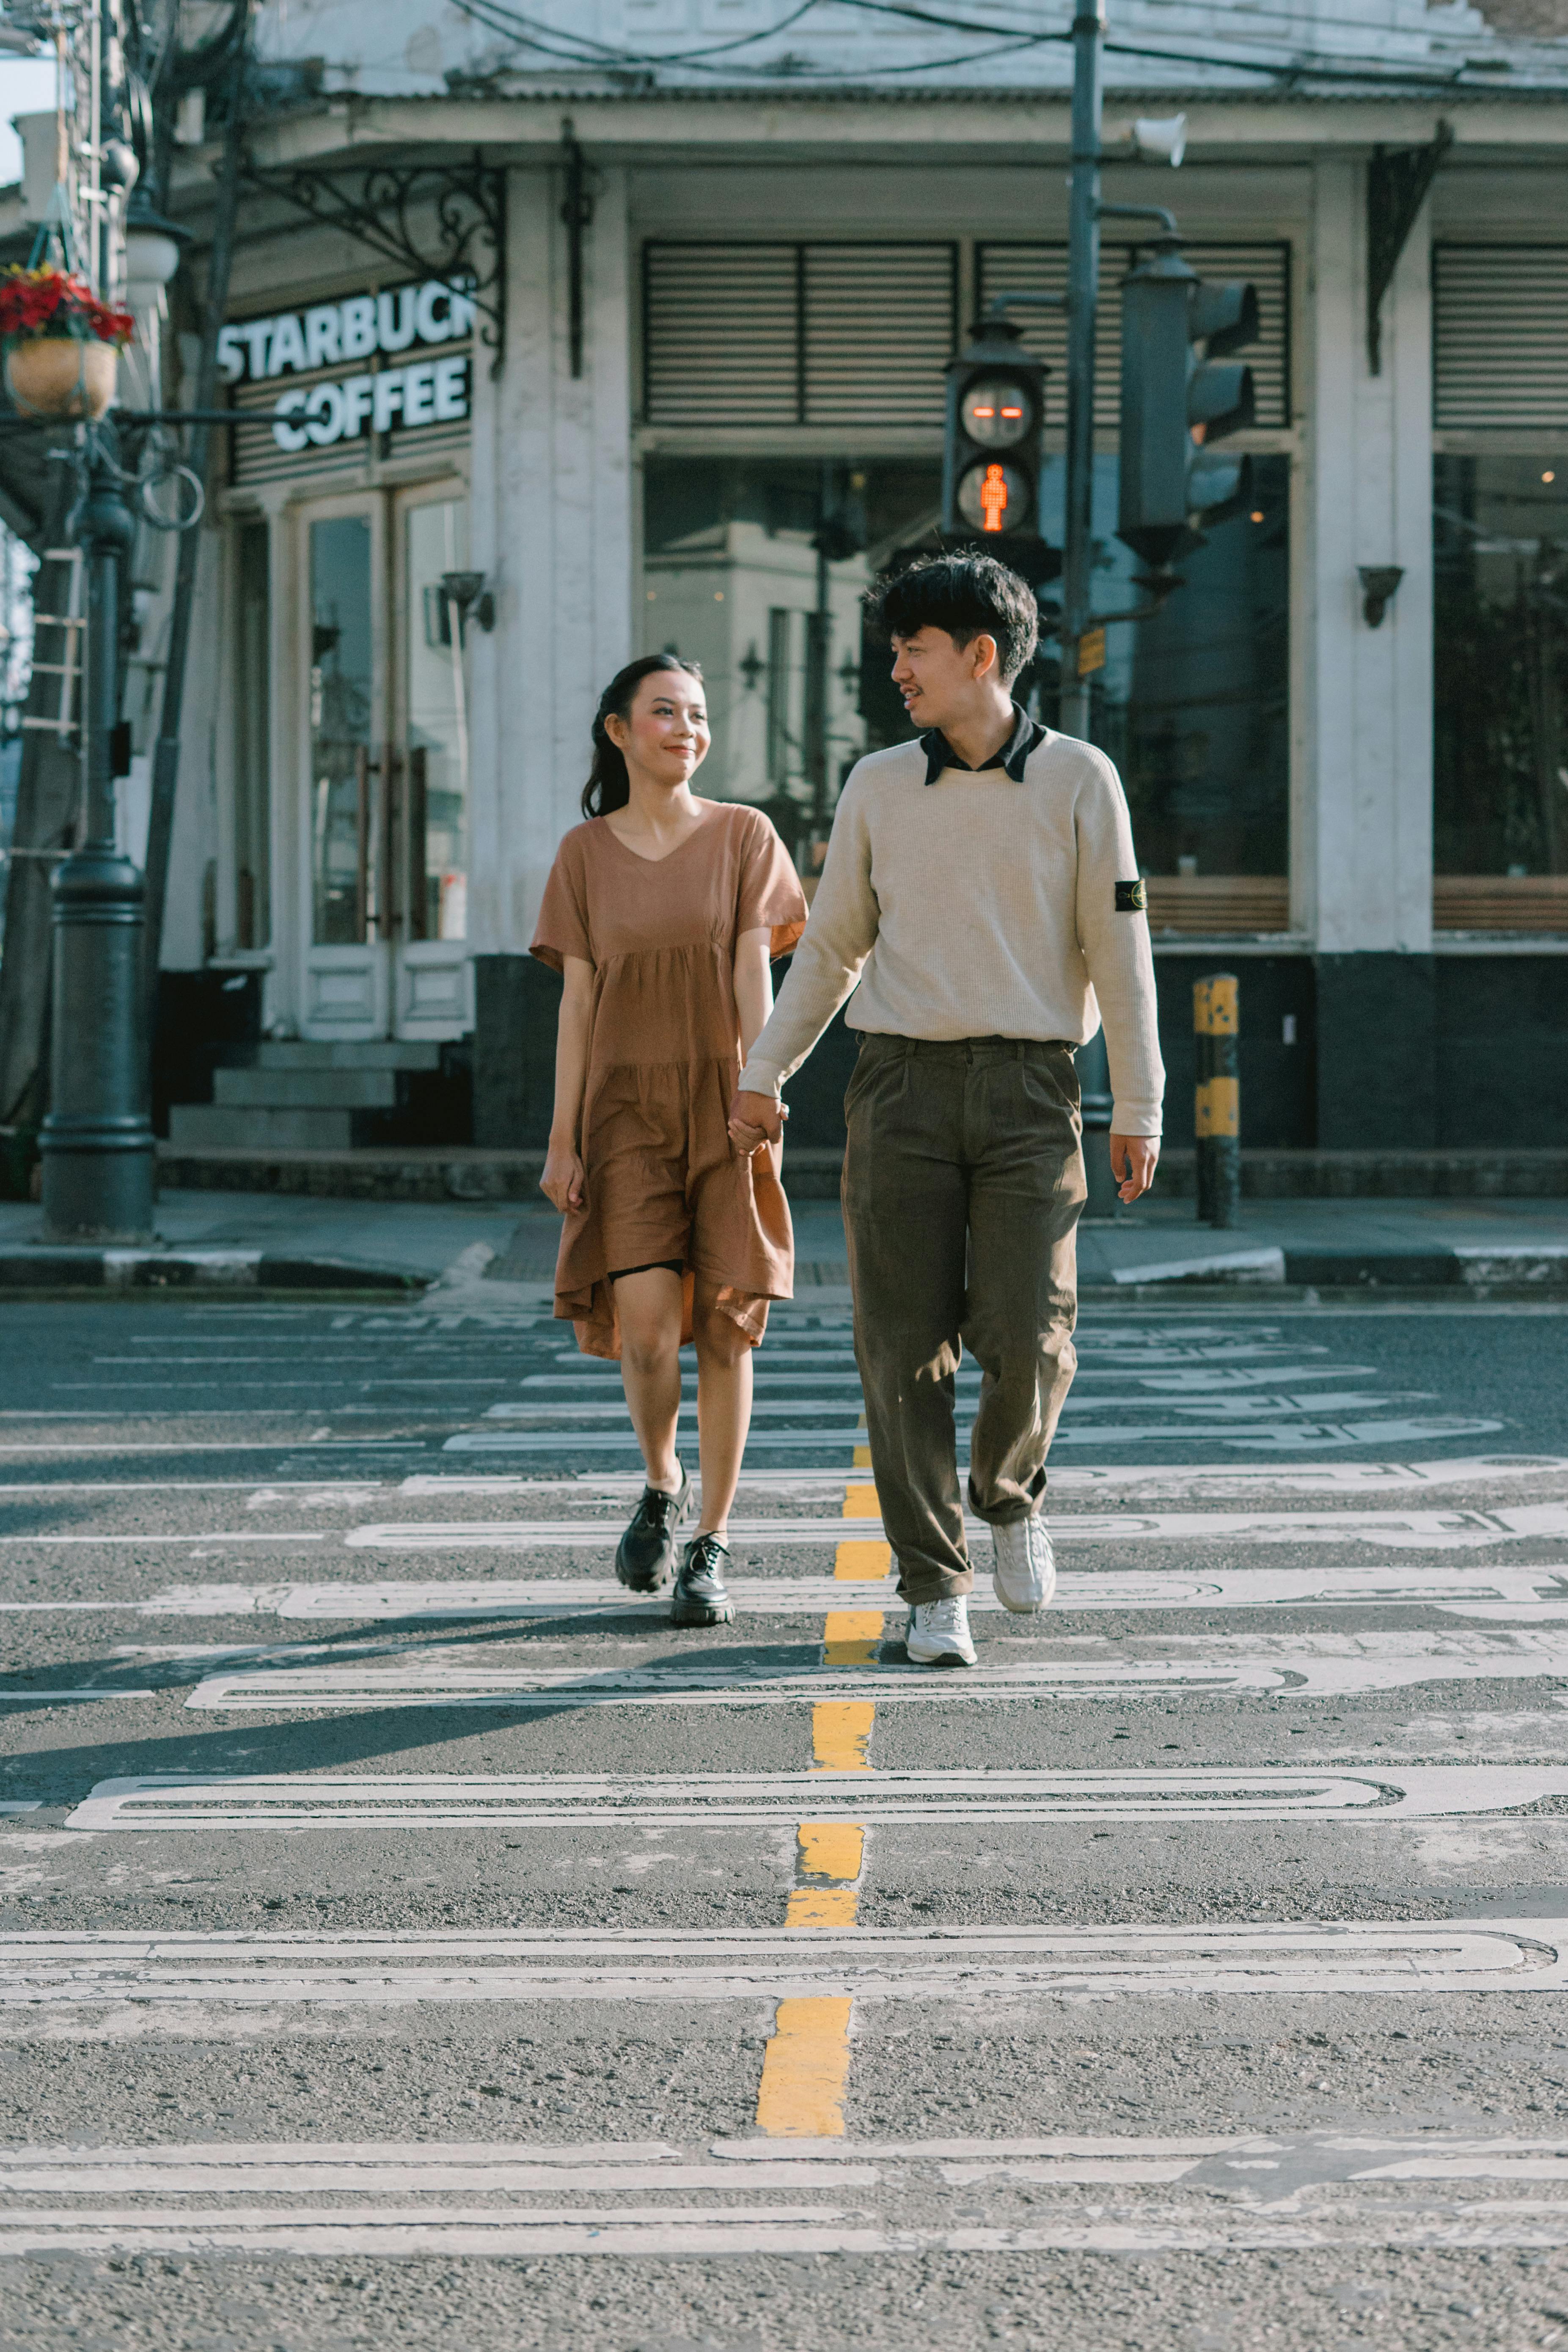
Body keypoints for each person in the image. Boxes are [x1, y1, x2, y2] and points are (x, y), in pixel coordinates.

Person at [728, 553, 1164, 1667]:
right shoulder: (877, 782)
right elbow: (831, 947)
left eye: (913, 649)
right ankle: (933, 1590)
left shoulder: (1080, 780)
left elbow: (1118, 944)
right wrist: (764, 1072)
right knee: (900, 1350)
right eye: (894, 651)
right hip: (898, 1086)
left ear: (982, 656)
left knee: (1031, 1329)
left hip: (1032, 1091)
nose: (896, 672)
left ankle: (1007, 1494)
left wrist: (1142, 1103)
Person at [534, 653, 809, 1629]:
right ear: (618, 730)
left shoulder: (744, 835)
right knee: (647, 1330)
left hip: (721, 1104)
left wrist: (760, 1082)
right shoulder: (582, 853)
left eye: (696, 713)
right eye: (663, 713)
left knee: (728, 1331)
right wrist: (562, 1139)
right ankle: (661, 1479)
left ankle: (711, 1544)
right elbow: (576, 1005)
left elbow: (752, 974)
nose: (685, 729)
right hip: (620, 1114)